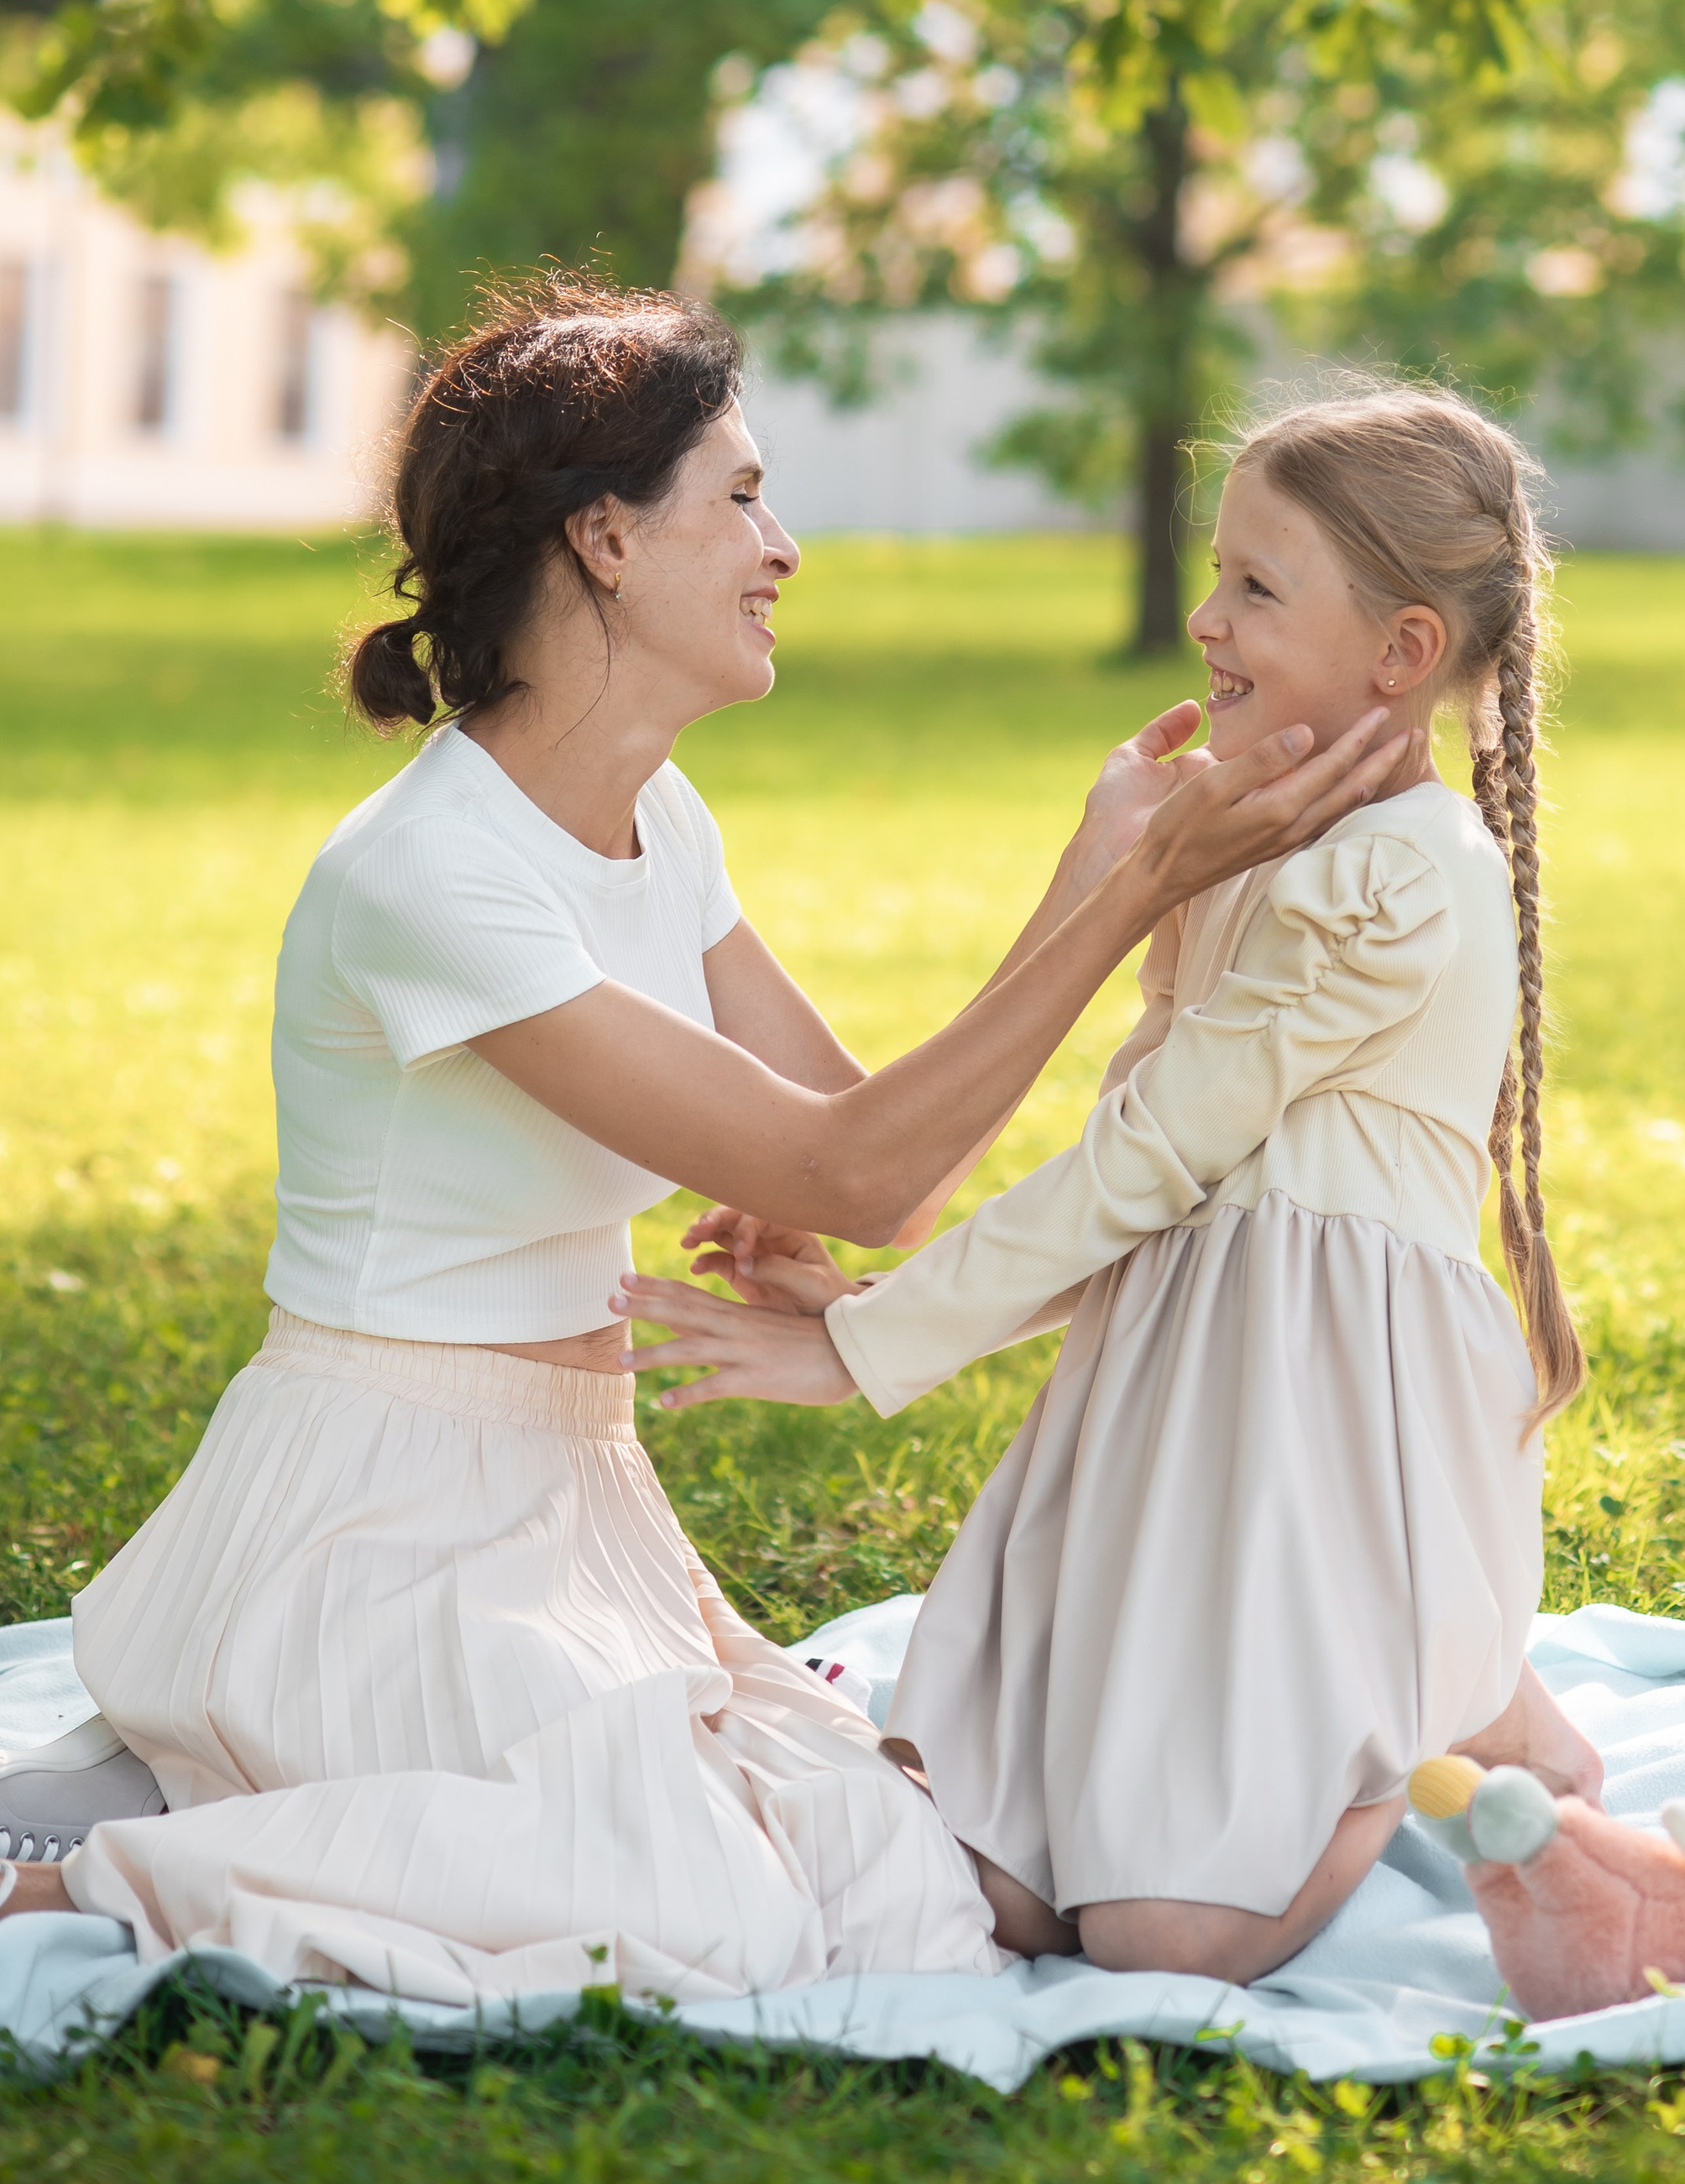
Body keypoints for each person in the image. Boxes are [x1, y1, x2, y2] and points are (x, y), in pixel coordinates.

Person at [0, 281, 1410, 2000]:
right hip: (372, 1520)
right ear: (606, 539)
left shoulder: (654, 815)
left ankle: (216, 1778)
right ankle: (95, 1872)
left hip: (565, 1498)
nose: (782, 543)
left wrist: (1099, 870)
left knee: (891, 1883)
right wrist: (1134, 887)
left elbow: (885, 1180)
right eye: (741, 496)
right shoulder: (429, 879)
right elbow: (847, 1167)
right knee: (707, 1909)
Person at [617, 381, 1604, 1986]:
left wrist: (864, 1351)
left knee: (1160, 1935)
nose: (1206, 619)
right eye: (1216, 573)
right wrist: (876, 1293)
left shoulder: (1407, 877)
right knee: (999, 1888)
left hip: (1329, 1436)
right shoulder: (1241, 846)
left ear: (1404, 653)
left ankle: (1441, 1716)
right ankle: (1409, 1705)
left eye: (1256, 588)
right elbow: (1170, 1210)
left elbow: (1156, 1162)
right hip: (1175, 1412)